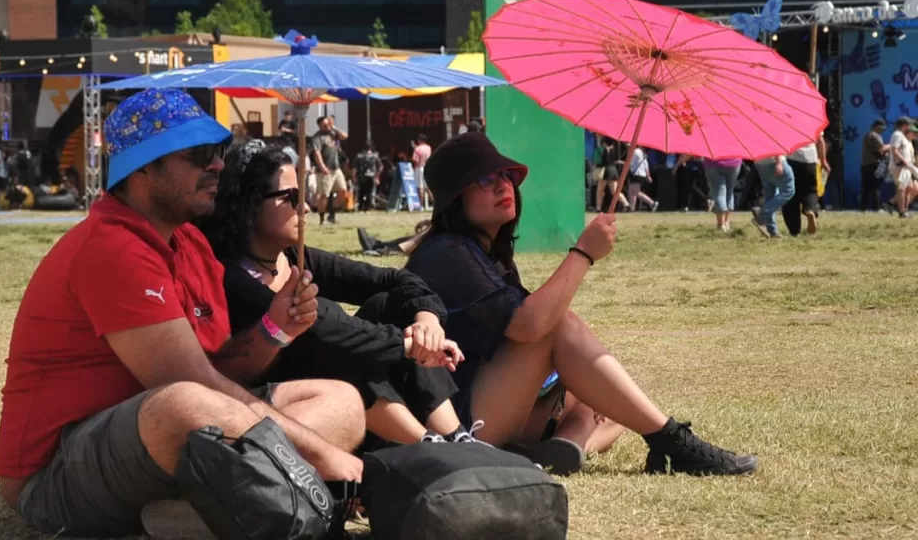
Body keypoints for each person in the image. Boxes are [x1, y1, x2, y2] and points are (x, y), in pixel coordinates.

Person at [0, 89, 366, 538]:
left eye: (218, 152)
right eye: (198, 155)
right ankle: (260, 498)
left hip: (156, 445)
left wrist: (275, 329)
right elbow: (195, 388)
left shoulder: (189, 244)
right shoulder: (111, 248)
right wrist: (325, 457)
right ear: (142, 168)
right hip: (55, 474)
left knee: (342, 402)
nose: (217, 165)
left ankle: (201, 510)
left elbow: (219, 368)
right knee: (183, 404)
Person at [405, 132, 759, 476]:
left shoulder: (482, 252)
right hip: (455, 426)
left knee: (613, 401)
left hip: (484, 402)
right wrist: (583, 253)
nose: (503, 185)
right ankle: (673, 442)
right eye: (484, 179)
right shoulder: (447, 252)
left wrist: (570, 381)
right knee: (561, 328)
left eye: (506, 175)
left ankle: (567, 446)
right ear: (455, 197)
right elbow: (531, 326)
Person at [196, 141, 477, 449]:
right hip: (300, 403)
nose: (304, 206)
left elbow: (394, 279)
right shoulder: (228, 274)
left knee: (386, 304)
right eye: (291, 197)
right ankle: (427, 444)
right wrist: (405, 345)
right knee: (337, 341)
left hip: (352, 393)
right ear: (248, 204)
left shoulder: (295, 257)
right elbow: (323, 330)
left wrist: (427, 322)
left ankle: (457, 436)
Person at [782, 133, 830, 235]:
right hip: (810, 160)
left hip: (791, 159)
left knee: (791, 196)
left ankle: (794, 230)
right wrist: (823, 161)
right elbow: (820, 141)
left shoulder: (787, 118)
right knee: (811, 191)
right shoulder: (812, 119)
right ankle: (810, 210)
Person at [311, 116, 349, 225]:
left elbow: (345, 136)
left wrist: (334, 128)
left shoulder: (332, 133)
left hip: (336, 168)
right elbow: (316, 153)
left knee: (343, 190)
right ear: (319, 125)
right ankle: (322, 219)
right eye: (325, 125)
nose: (327, 127)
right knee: (324, 195)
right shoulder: (317, 137)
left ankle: (332, 215)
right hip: (325, 170)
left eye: (328, 124)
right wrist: (322, 167)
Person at [751, 154, 795, 238]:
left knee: (770, 196)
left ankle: (773, 231)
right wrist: (779, 162)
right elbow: (775, 144)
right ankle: (762, 215)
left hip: (760, 163)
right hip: (774, 161)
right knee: (789, 191)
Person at [888, 116, 918, 219]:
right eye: (909, 125)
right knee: (902, 188)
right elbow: (894, 149)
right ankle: (902, 212)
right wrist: (903, 160)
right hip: (899, 166)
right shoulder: (897, 134)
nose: (910, 127)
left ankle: (903, 209)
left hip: (906, 167)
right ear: (904, 125)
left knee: (911, 188)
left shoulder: (903, 136)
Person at [860, 119, 890, 212]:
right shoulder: (875, 136)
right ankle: (877, 207)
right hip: (874, 164)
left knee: (865, 188)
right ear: (877, 127)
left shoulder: (867, 135)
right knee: (875, 187)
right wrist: (892, 146)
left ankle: (862, 208)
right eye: (882, 127)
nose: (884, 130)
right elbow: (881, 149)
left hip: (865, 165)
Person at [353, 139, 382, 213]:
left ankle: (360, 207)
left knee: (361, 192)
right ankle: (367, 208)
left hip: (361, 176)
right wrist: (376, 176)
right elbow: (381, 166)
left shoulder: (359, 156)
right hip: (371, 176)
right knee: (369, 193)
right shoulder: (375, 156)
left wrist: (354, 177)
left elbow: (355, 168)